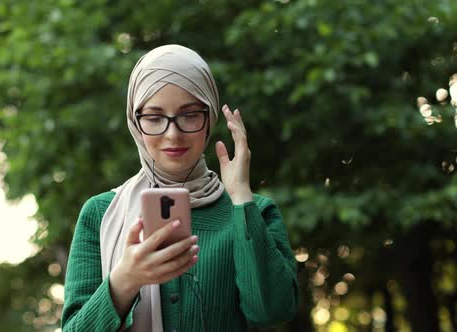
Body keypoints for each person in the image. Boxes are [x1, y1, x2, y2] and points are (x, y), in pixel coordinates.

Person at [61, 44, 298, 331]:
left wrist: (241, 199)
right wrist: (125, 278)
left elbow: (272, 311)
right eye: (154, 117)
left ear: (209, 118)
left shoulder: (254, 211)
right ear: (135, 123)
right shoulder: (100, 213)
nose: (173, 134)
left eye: (189, 115)